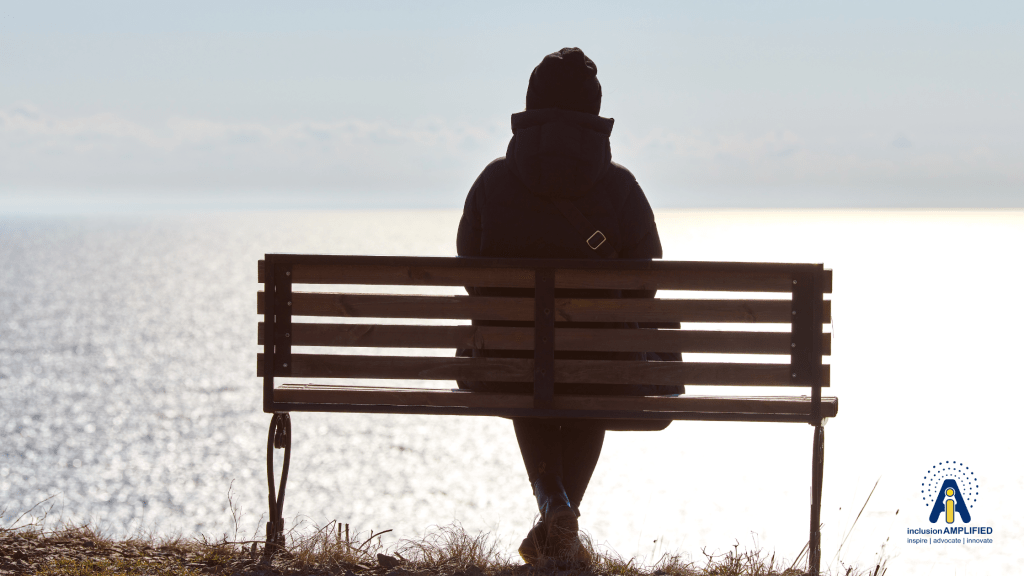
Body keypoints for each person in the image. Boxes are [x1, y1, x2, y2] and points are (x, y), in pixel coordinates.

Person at [455, 47, 681, 566]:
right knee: (589, 373)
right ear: (593, 114)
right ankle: (559, 515)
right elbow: (648, 278)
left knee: (531, 375)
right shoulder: (620, 187)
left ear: (531, 107)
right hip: (601, 367)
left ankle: (554, 506)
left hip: (507, 365)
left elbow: (469, 270)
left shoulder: (493, 182)